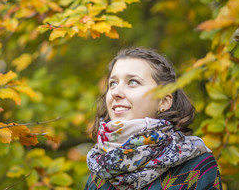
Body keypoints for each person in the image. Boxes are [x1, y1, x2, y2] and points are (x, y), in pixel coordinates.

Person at [85, 47, 222, 190]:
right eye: (113, 83)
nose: (116, 92)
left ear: (163, 101)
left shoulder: (197, 167)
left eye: (132, 82)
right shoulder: (98, 170)